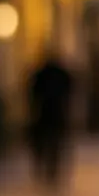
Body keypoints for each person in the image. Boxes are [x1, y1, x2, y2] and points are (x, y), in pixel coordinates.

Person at [27, 55, 73, 187]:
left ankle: (48, 167)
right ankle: (51, 168)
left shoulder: (41, 74)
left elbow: (32, 91)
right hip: (55, 114)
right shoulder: (60, 75)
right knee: (54, 143)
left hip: (46, 114)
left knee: (48, 142)